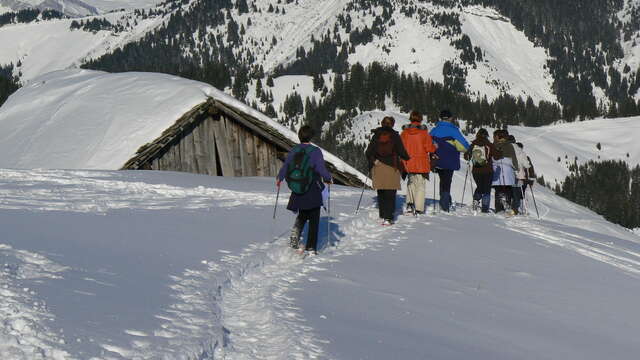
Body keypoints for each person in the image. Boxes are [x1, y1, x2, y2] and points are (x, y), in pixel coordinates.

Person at [277, 125, 332, 255]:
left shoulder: (294, 150)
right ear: (311, 137)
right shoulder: (315, 151)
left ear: (300, 137)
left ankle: (296, 233)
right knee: (314, 217)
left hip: (298, 186)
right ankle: (311, 247)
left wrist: (280, 178)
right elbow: (320, 169)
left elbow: (286, 166)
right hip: (312, 186)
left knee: (302, 213)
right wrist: (328, 178)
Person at [365, 116, 410, 225]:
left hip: (378, 166)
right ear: (393, 124)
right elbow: (401, 151)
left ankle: (382, 214)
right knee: (390, 192)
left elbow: (368, 152)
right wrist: (407, 158)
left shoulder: (376, 135)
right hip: (392, 166)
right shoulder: (395, 136)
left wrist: (374, 161)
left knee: (381, 191)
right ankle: (388, 217)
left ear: (382, 123)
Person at [430, 109, 470, 212]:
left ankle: (445, 200)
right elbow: (464, 147)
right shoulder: (454, 131)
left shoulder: (434, 130)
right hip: (450, 160)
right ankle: (445, 205)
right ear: (451, 118)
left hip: (436, 160)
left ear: (440, 118)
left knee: (442, 180)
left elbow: (428, 144)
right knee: (447, 182)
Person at [400, 111, 437, 215]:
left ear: (410, 119)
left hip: (408, 162)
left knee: (410, 183)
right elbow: (429, 148)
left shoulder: (405, 133)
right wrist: (435, 147)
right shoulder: (424, 133)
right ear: (420, 119)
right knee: (420, 185)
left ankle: (410, 204)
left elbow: (401, 147)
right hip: (421, 162)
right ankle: (419, 208)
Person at [464, 128, 498, 213]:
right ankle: (485, 208)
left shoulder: (473, 144)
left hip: (476, 171)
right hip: (487, 170)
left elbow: (466, 156)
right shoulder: (489, 145)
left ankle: (476, 200)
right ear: (486, 135)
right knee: (486, 189)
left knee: (480, 187)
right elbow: (497, 156)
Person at [491, 129, 518, 214]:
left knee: (498, 189)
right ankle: (507, 204)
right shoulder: (509, 146)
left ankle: (499, 208)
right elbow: (514, 159)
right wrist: (516, 168)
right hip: (508, 171)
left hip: (496, 170)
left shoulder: (493, 145)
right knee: (508, 189)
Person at [508, 135, 531, 215]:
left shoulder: (504, 150)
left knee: (509, 191)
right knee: (517, 193)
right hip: (518, 175)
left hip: (506, 174)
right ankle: (514, 209)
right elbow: (526, 165)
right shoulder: (520, 151)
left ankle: (508, 207)